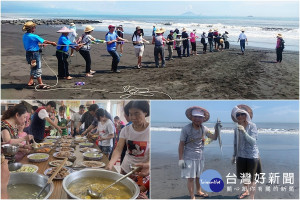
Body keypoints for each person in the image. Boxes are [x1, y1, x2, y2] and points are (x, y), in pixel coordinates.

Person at [178, 106, 220, 199]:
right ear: (191, 117)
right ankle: (192, 196)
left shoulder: (204, 128)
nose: (197, 119)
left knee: (198, 176)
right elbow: (181, 144)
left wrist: (216, 129)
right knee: (190, 178)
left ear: (203, 119)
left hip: (200, 157)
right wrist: (180, 159)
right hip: (189, 157)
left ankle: (199, 191)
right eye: (195, 116)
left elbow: (214, 137)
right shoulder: (186, 129)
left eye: (200, 117)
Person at [106, 101, 150, 176]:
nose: (133, 117)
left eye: (137, 113)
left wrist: (149, 164)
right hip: (126, 169)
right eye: (130, 114)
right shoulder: (126, 130)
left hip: (144, 170)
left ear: (145, 112)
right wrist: (110, 164)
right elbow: (118, 149)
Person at [231, 105, 261, 199]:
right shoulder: (236, 127)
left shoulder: (252, 126)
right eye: (238, 115)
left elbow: (253, 141)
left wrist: (244, 131)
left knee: (252, 179)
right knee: (245, 177)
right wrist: (234, 155)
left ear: (246, 115)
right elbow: (236, 142)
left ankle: (252, 197)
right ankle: (246, 191)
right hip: (241, 156)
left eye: (242, 114)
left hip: (252, 156)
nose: (240, 116)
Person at [22, 21, 57, 89]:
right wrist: (52, 43)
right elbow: (45, 41)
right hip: (34, 54)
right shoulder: (34, 36)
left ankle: (30, 81)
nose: (35, 28)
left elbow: (31, 44)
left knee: (33, 67)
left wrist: (40, 45)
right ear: (31, 28)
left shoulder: (25, 35)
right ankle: (41, 84)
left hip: (29, 54)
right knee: (37, 68)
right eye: (34, 27)